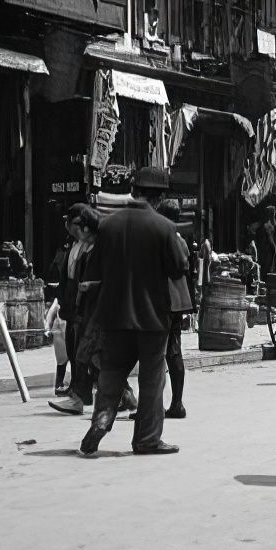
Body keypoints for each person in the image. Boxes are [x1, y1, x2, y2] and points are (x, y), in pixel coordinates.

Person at [77, 166, 189, 456]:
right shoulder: (164, 227)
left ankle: (101, 421)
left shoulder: (108, 226)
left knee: (112, 373)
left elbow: (94, 271)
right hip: (152, 317)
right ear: (159, 197)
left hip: (113, 315)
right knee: (152, 379)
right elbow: (178, 268)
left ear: (134, 192)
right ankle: (147, 439)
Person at [48, 205, 103, 416]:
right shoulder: (78, 246)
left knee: (87, 354)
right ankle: (119, 395)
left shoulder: (98, 248)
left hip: (96, 310)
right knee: (87, 355)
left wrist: (91, 286)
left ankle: (81, 398)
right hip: (82, 308)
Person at [156, 198, 193, 419]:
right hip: (175, 302)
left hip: (165, 302)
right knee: (172, 352)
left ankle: (166, 404)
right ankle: (176, 403)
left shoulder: (168, 238)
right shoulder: (179, 239)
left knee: (164, 353)